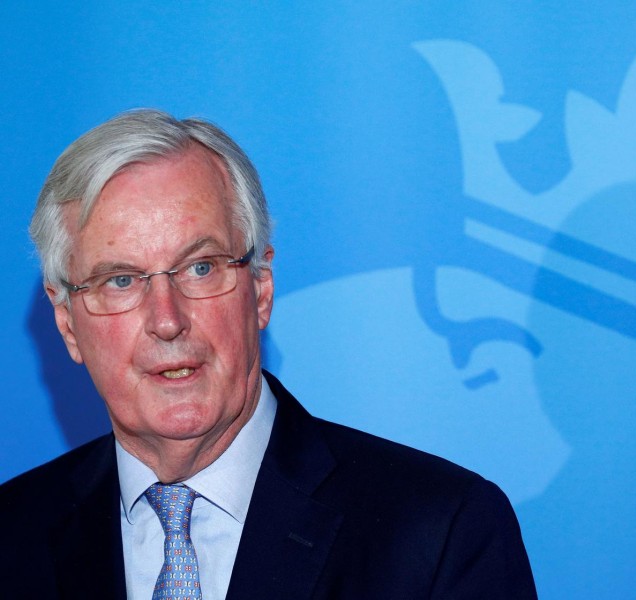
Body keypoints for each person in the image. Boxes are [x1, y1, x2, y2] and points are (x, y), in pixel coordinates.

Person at [0, 109, 537, 599]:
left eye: (201, 267)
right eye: (120, 280)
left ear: (261, 288)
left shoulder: (441, 533)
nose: (167, 319)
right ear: (67, 321)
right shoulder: (13, 536)